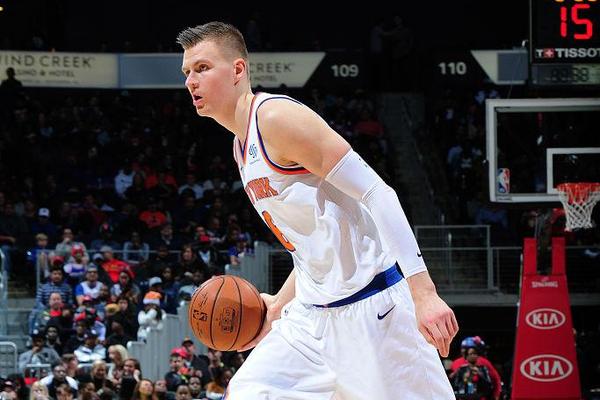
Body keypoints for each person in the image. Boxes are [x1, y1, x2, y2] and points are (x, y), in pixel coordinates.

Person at [176, 22, 457, 399]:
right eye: (187, 72)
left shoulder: (275, 118)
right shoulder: (240, 146)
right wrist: (278, 305)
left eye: (202, 68)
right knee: (247, 391)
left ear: (238, 70)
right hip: (310, 319)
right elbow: (311, 246)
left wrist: (424, 293)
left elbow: (378, 193)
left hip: (374, 310)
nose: (190, 81)